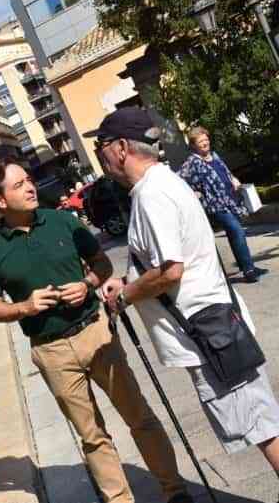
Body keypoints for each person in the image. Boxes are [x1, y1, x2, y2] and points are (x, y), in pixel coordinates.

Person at [0, 157, 191, 503]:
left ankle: (174, 490)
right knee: (92, 436)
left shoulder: (62, 220)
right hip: (51, 351)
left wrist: (87, 283)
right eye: (19, 185)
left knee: (139, 416)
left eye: (29, 180)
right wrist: (25, 307)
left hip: (96, 332)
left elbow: (101, 264)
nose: (31, 187)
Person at [92, 108, 279, 488]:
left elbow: (169, 271)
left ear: (122, 148)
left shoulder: (152, 195)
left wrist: (126, 295)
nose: (101, 155)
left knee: (261, 425)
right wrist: (128, 280)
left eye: (102, 146)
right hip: (212, 327)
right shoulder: (161, 184)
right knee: (259, 420)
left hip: (209, 333)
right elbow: (167, 260)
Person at [178, 126, 268, 283]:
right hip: (215, 205)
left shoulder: (215, 156)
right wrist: (195, 193)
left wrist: (233, 179)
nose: (205, 143)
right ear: (193, 145)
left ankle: (248, 266)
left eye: (206, 139)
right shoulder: (192, 163)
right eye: (200, 141)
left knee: (234, 234)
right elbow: (179, 181)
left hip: (231, 200)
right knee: (237, 231)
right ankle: (249, 271)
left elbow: (225, 172)